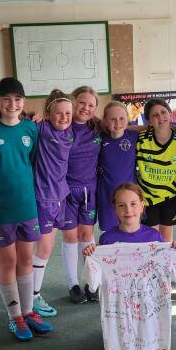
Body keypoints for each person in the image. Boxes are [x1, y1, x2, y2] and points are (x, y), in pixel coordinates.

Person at [0, 77, 52, 341]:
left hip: (26, 206)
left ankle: (28, 311)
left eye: (17, 99)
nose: (12, 104)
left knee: (25, 259)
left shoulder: (30, 129)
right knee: (8, 261)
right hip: (0, 208)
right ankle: (14, 316)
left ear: (23, 102)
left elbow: (30, 161)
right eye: (6, 99)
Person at [83, 183, 176, 350]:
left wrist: (175, 250)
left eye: (133, 204)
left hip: (148, 304)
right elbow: (95, 278)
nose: (128, 210)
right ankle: (118, 335)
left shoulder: (154, 237)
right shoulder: (107, 240)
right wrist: (90, 255)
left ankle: (146, 335)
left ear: (142, 205)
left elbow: (169, 269)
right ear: (114, 209)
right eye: (121, 205)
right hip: (120, 306)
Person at [29, 90, 75, 318]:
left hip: (60, 196)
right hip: (43, 197)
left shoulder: (70, 132)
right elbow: (17, 120)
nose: (64, 117)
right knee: (43, 250)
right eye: (58, 113)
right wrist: (31, 115)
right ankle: (32, 296)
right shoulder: (41, 128)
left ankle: (30, 293)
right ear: (48, 114)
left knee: (46, 249)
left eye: (68, 113)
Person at [61, 86, 102, 303]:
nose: (86, 108)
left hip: (89, 191)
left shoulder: (98, 128)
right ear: (72, 101)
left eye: (91, 105)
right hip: (66, 191)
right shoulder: (60, 126)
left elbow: (124, 126)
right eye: (82, 103)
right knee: (70, 236)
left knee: (86, 235)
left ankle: (92, 283)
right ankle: (73, 284)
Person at [135, 98, 176, 243]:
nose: (160, 117)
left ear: (170, 114)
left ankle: (166, 259)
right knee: (151, 238)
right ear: (149, 121)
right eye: (155, 115)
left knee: (167, 239)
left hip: (170, 196)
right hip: (147, 198)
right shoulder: (142, 140)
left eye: (163, 112)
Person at [96, 101, 138, 232]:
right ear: (105, 121)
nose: (117, 122)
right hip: (106, 196)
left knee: (131, 232)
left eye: (121, 118)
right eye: (112, 119)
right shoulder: (99, 139)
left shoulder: (134, 137)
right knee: (109, 234)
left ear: (127, 119)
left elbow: (157, 129)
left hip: (129, 197)